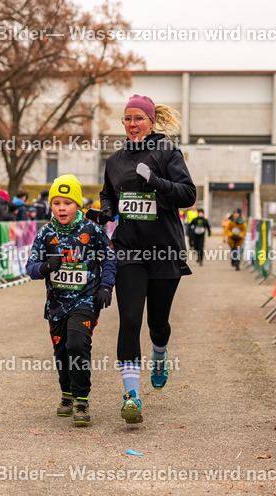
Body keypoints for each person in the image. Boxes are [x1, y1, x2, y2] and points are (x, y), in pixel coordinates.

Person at [88, 94, 195, 424]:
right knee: (130, 319)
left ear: (151, 121)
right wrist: (104, 212)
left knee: (157, 324)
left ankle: (159, 354)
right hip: (128, 249)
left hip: (164, 249)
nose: (132, 124)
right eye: (127, 119)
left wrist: (156, 182)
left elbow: (188, 195)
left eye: (139, 118)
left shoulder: (168, 152)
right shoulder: (114, 161)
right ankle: (131, 396)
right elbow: (109, 196)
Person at [26, 175, 116, 426]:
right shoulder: (46, 232)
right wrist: (45, 267)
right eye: (56, 203)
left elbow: (110, 257)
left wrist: (106, 286)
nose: (62, 208)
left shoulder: (92, 229)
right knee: (62, 350)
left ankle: (81, 399)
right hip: (56, 304)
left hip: (86, 300)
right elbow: (30, 267)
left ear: (78, 205)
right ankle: (66, 393)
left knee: (77, 344)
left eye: (67, 203)